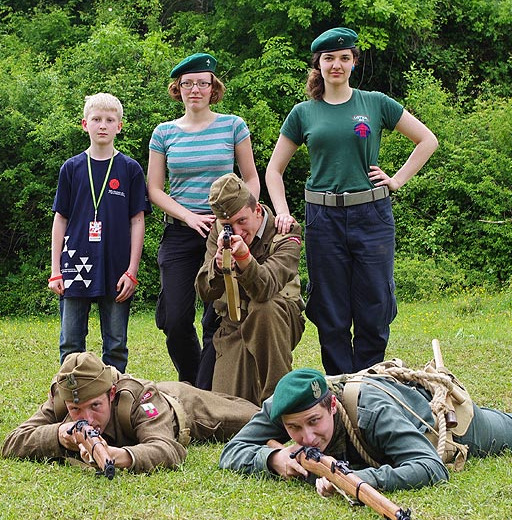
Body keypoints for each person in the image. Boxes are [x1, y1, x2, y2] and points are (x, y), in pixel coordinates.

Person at [265, 28, 439, 375]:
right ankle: (341, 387)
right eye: (329, 58)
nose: (337, 65)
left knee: (374, 305)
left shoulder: (375, 103)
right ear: (319, 64)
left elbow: (427, 140)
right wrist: (282, 213)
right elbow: (273, 170)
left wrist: (397, 180)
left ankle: (371, 385)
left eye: (344, 58)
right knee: (330, 311)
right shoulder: (303, 112)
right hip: (322, 219)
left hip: (372, 216)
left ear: (354, 62)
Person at [220, 367, 512, 493]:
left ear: (331, 405)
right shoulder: (283, 405)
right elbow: (231, 452)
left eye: (314, 423)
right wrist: (273, 458)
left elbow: (431, 468)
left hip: (441, 425)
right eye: (294, 429)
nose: (308, 438)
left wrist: (356, 480)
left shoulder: (371, 412)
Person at [147, 52, 260, 386]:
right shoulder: (164, 133)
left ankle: (202, 390)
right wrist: (188, 216)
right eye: (187, 83)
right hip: (181, 232)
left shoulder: (233, 125)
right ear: (177, 89)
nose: (194, 89)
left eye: (202, 83)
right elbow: (154, 189)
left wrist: (240, 218)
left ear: (214, 88)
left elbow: (251, 178)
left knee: (217, 318)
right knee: (176, 319)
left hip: (223, 232)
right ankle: (192, 376)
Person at [2, 352, 259, 473]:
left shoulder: (135, 397)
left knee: (261, 418)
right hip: (160, 399)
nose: (87, 419)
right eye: (76, 410)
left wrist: (120, 455)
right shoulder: (62, 399)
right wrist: (60, 434)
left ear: (111, 395)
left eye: (95, 406)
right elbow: (11, 441)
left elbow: (169, 449)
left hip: (183, 406)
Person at [48, 93, 151, 373]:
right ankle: (69, 402)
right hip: (75, 265)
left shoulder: (130, 169)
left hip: (116, 267)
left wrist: (132, 270)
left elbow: (137, 221)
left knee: (116, 344)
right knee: (70, 343)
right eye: (96, 119)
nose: (102, 125)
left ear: (119, 126)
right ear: (85, 124)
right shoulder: (71, 168)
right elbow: (60, 219)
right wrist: (56, 270)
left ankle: (113, 404)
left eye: (109, 120)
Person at [195, 173, 305, 406]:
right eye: (228, 225)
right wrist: (217, 267)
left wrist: (244, 258)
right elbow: (203, 291)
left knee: (264, 308)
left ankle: (279, 403)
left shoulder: (285, 231)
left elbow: (266, 288)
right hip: (234, 323)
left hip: (278, 320)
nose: (236, 231)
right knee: (230, 411)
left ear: (256, 210)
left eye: (241, 221)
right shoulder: (219, 231)